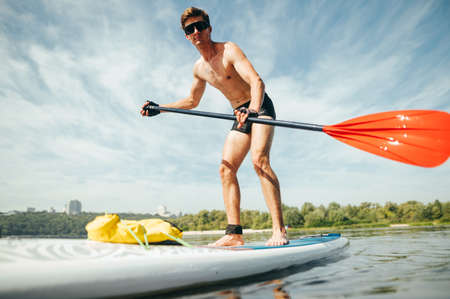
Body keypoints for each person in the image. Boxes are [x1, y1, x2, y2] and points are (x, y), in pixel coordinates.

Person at [141, 7, 288, 246]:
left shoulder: (229, 50)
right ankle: (234, 234)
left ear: (209, 28)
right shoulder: (199, 68)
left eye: (200, 26)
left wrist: (251, 110)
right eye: (190, 29)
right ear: (187, 36)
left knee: (259, 161)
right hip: (238, 113)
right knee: (225, 168)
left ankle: (278, 230)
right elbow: (192, 101)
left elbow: (256, 82)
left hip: (258, 107)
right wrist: (160, 108)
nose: (196, 31)